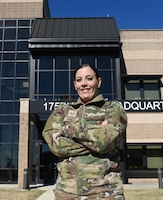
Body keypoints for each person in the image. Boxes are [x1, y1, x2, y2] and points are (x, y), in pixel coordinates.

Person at [43, 64, 127, 199]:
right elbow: (56, 146)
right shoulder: (61, 111)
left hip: (104, 192)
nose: (84, 84)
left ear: (98, 82)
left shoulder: (113, 109)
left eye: (89, 78)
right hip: (66, 193)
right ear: (74, 84)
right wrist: (96, 137)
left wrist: (69, 129)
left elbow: (105, 142)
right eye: (79, 80)